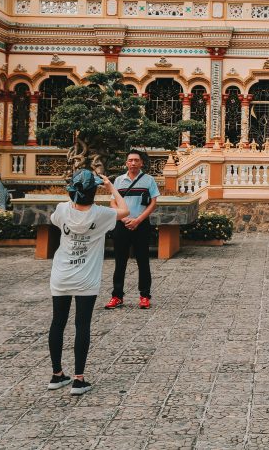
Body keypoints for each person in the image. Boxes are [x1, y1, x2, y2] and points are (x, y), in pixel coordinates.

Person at [47, 169, 128, 396]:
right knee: (82, 325)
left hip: (61, 275)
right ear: (95, 192)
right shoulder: (101, 214)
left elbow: (61, 213)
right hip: (85, 277)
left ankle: (56, 374)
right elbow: (124, 210)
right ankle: (78, 379)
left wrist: (75, 191)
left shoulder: (62, 210)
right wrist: (111, 187)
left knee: (57, 323)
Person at [105, 150, 160, 310]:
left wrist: (138, 220)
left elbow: (153, 203)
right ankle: (117, 295)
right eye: (130, 160)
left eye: (136, 160)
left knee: (143, 261)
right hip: (122, 224)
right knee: (119, 261)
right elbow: (113, 203)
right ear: (126, 163)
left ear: (142, 163)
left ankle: (144, 295)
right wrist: (123, 218)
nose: (133, 163)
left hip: (141, 224)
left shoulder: (149, 180)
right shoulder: (119, 181)